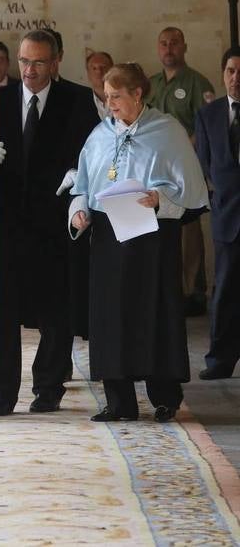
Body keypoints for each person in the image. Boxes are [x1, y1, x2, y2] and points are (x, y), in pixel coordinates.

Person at [0, 30, 98, 416]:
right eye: (24, 61)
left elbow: (91, 150)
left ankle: (48, 386)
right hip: (6, 220)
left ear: (55, 62)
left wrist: (78, 175)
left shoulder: (74, 100)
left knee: (56, 308)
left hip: (53, 220)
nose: (29, 70)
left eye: (38, 62)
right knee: (0, 309)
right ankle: (1, 391)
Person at [69, 63, 208, 423]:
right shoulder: (99, 134)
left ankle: (164, 397)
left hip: (152, 242)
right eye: (107, 95)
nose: (110, 103)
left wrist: (160, 198)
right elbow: (83, 183)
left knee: (153, 313)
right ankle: (119, 401)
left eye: (117, 96)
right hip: (108, 242)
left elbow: (190, 191)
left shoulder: (167, 131)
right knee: (110, 317)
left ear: (137, 94)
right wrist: (79, 210)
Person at [148, 26, 215, 317]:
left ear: (184, 47)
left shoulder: (197, 83)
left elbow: (206, 126)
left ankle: (192, 291)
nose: (168, 48)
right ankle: (166, 288)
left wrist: (180, 150)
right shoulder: (150, 84)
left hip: (185, 168)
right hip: (155, 170)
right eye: (163, 43)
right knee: (159, 228)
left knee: (188, 230)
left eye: (174, 43)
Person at [195, 47, 240, 380]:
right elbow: (205, 163)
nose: (236, 79)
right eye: (230, 71)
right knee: (224, 289)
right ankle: (220, 360)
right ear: (223, 74)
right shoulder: (208, 114)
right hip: (228, 216)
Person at [85, 51, 114, 121]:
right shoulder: (81, 102)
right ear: (88, 74)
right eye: (94, 68)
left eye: (103, 67)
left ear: (113, 70)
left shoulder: (126, 98)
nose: (99, 72)